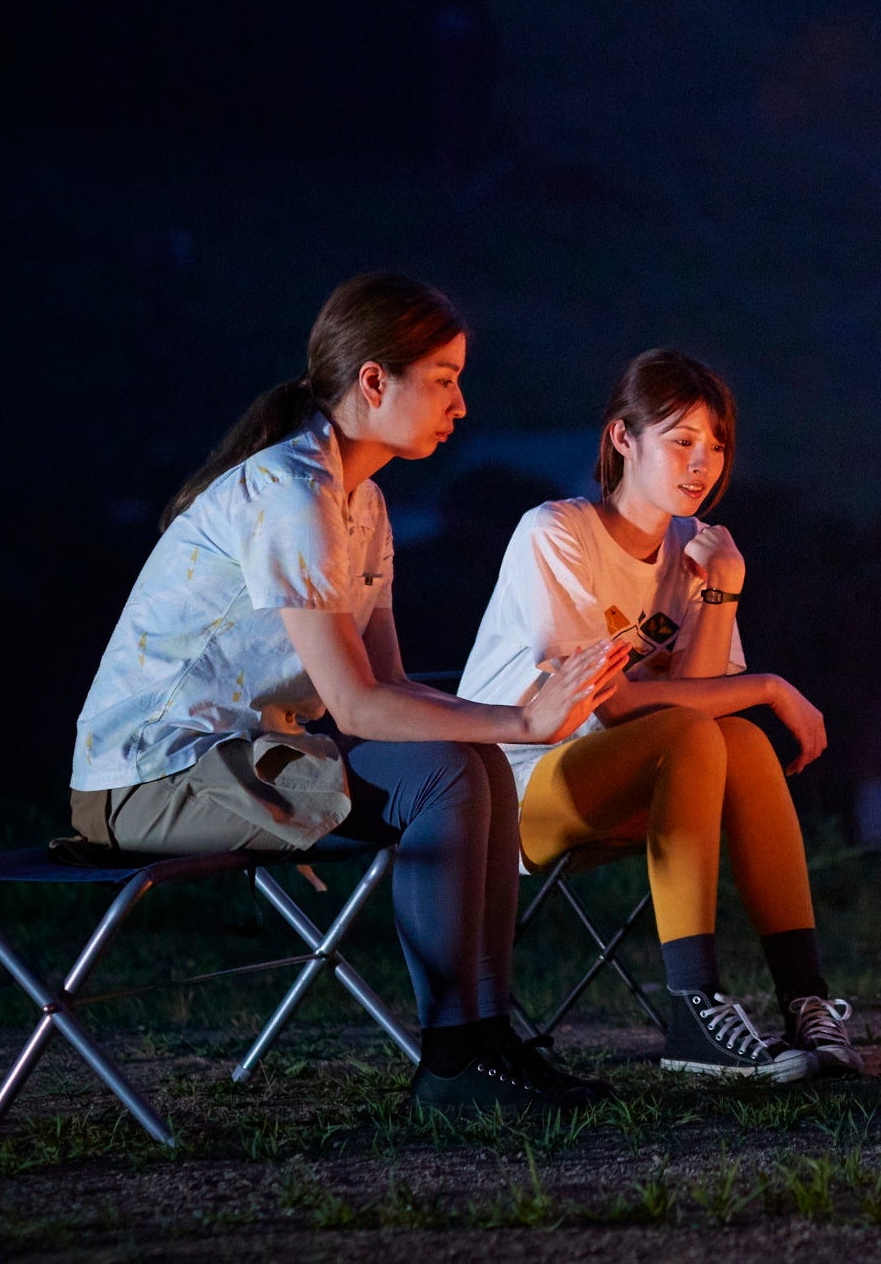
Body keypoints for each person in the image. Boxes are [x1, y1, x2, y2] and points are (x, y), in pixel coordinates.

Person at [68, 272, 625, 1117]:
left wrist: (510, 723)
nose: (461, 405)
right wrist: (522, 717)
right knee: (449, 771)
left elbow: (388, 685)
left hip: (237, 758)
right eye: (442, 379)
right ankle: (453, 1061)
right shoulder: (294, 495)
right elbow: (358, 708)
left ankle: (485, 1038)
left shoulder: (359, 501)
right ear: (374, 380)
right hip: (149, 778)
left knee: (473, 760)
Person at [459, 349, 859, 1081]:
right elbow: (612, 706)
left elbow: (699, 697)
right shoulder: (556, 533)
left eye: (716, 445)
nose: (702, 463)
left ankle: (807, 1004)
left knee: (732, 736)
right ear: (622, 439)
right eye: (681, 440)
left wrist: (722, 591)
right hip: (517, 786)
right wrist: (770, 683)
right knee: (705, 724)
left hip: (651, 780)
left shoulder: (697, 550)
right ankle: (694, 1009)